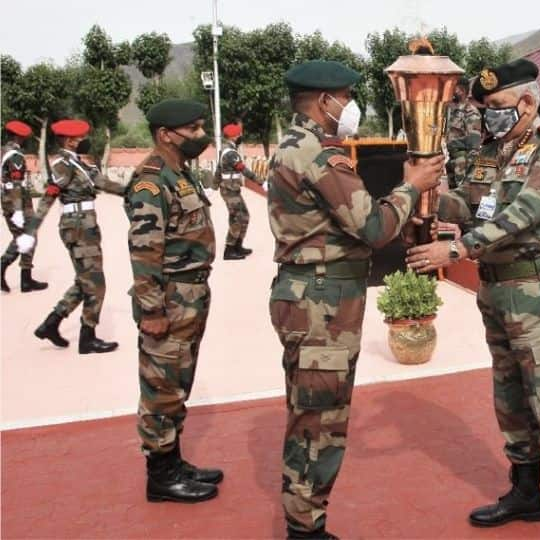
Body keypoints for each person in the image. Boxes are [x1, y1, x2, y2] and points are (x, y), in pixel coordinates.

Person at [407, 59, 540, 540]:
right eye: (485, 108)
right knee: (510, 397)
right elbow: (470, 207)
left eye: (497, 107)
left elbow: (524, 213)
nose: (490, 116)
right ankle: (526, 491)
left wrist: (456, 248)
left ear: (528, 103)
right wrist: (428, 187)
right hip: (496, 288)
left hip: (539, 291)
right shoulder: (493, 154)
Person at [267, 60, 443, 539]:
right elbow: (373, 227)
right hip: (321, 303)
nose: (350, 105)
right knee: (319, 419)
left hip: (312, 296)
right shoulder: (320, 155)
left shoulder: (296, 145)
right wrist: (412, 186)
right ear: (325, 101)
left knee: (312, 407)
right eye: (345, 96)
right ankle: (305, 528)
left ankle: (305, 519)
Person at [126, 98, 224, 504]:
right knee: (161, 387)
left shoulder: (179, 173)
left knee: (177, 382)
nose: (201, 135)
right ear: (166, 135)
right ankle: (160, 477)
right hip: (168, 297)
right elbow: (145, 250)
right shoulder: (151, 180)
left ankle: (173, 459)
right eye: (194, 129)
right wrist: (151, 309)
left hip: (190, 294)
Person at [28, 119, 125, 353]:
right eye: (80, 138)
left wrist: (131, 189)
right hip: (78, 226)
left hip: (85, 225)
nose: (84, 142)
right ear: (70, 141)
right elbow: (50, 195)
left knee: (85, 281)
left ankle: (51, 324)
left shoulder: (78, 163)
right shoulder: (63, 164)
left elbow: (101, 182)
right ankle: (87, 338)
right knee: (96, 284)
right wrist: (32, 229)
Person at [1, 120, 48, 292]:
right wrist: (19, 211)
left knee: (22, 237)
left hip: (8, 200)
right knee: (28, 237)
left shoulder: (3, 151)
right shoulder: (15, 156)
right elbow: (16, 184)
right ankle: (9, 270)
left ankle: (25, 279)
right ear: (19, 137)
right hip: (17, 201)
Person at [215, 122, 257, 260]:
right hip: (230, 190)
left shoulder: (225, 150)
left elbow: (218, 170)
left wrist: (214, 186)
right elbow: (243, 169)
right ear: (234, 136)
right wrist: (262, 182)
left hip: (230, 189)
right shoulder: (231, 153)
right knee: (238, 218)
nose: (240, 136)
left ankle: (238, 246)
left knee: (243, 216)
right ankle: (229, 250)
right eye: (239, 134)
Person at [444, 76, 483, 188]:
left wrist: (470, 168)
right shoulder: (455, 111)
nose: (451, 92)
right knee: (452, 193)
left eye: (453, 89)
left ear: (461, 90)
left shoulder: (470, 112)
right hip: (452, 159)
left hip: (463, 161)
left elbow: (474, 144)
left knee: (462, 192)